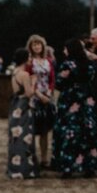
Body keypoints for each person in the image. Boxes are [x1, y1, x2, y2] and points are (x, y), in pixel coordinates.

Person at [52, 38, 97, 177]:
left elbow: (59, 83)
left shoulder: (67, 65)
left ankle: (68, 166)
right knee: (90, 132)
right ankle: (92, 165)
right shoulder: (89, 65)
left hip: (70, 101)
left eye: (66, 48)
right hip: (87, 100)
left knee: (70, 133)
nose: (64, 51)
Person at [7, 48, 39, 179]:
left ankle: (14, 167)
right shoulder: (24, 74)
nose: (31, 59)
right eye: (29, 57)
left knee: (15, 138)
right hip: (24, 108)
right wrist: (34, 82)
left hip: (15, 106)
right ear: (25, 59)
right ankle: (26, 169)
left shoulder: (14, 72)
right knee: (25, 137)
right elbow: (29, 93)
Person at [25, 35, 55, 167]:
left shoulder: (48, 61)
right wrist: (38, 94)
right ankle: (32, 157)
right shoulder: (29, 62)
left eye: (39, 44)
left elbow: (52, 79)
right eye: (34, 44)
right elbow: (29, 79)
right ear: (30, 47)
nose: (37, 47)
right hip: (34, 97)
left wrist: (49, 92)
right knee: (32, 129)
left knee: (45, 131)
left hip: (47, 97)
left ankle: (44, 158)